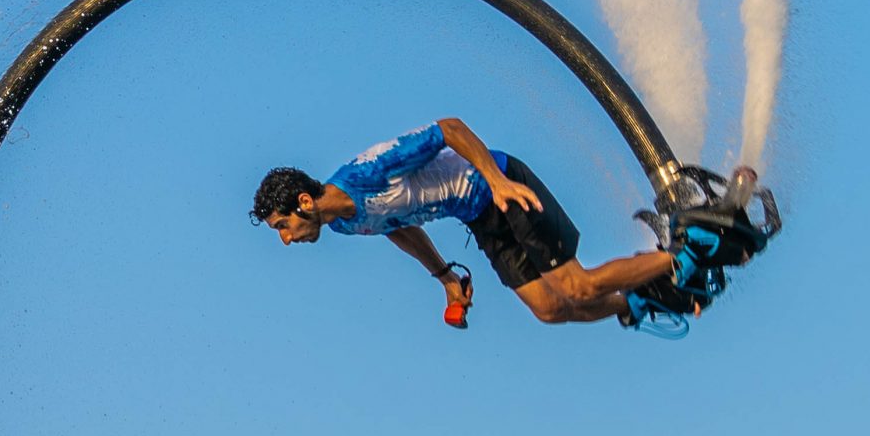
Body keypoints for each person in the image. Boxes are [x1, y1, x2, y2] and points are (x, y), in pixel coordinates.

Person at [251, 117, 696, 328]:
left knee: (576, 287)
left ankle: (682, 253)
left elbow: (450, 129)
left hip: (502, 187)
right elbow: (398, 227)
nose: (286, 240)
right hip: (480, 217)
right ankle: (639, 300)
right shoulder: (343, 223)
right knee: (549, 308)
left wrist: (497, 181)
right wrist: (444, 275)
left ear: (304, 202)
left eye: (281, 227)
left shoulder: (366, 175)